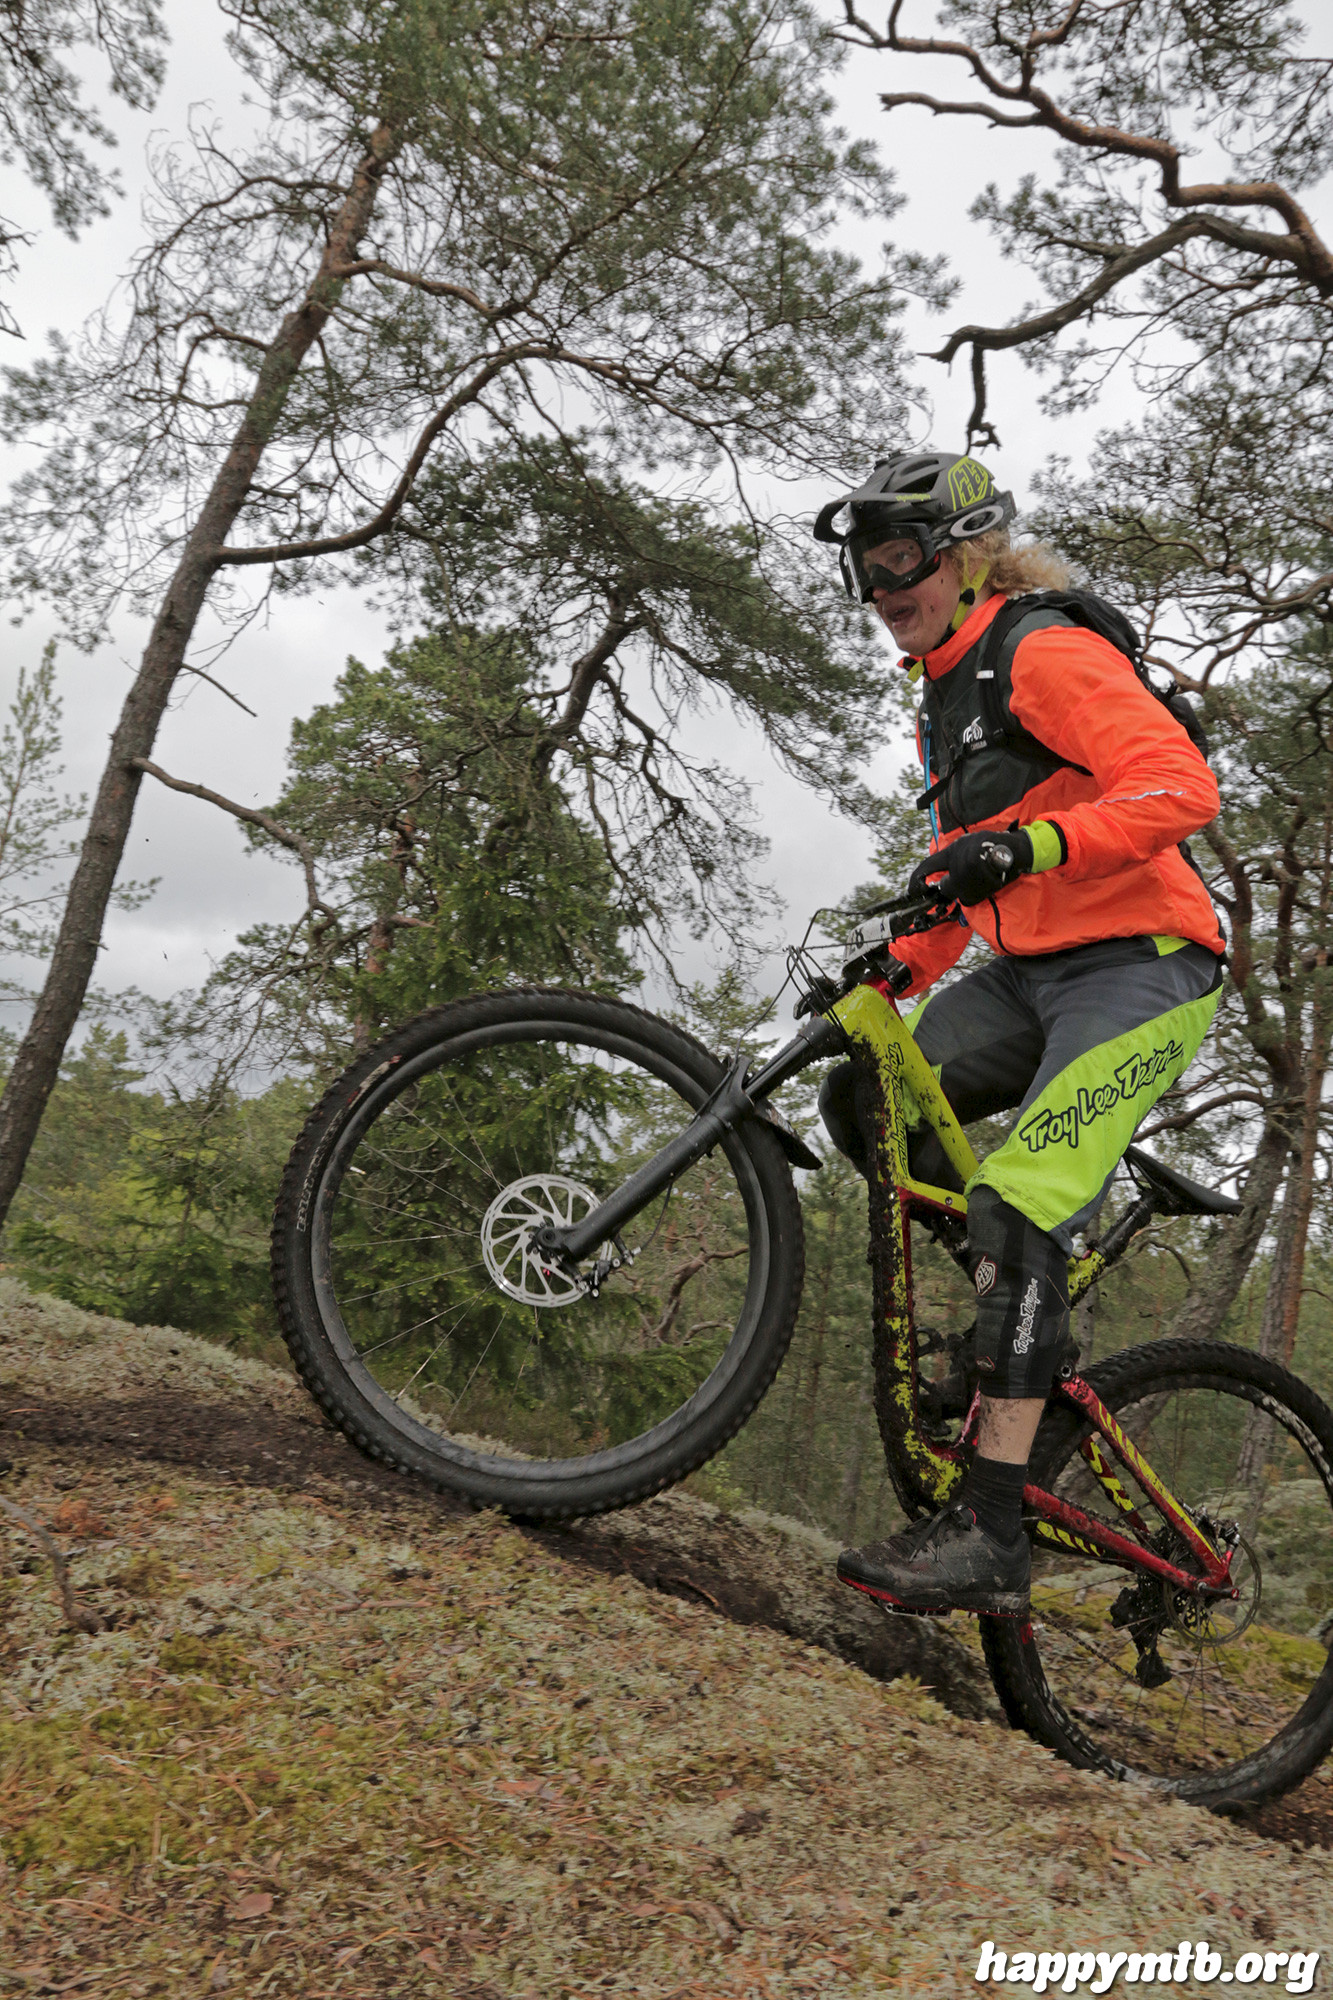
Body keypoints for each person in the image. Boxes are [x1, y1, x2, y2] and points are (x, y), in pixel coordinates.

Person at [811, 450, 1224, 1617]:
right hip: (1026, 971)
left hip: (1142, 964)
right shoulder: (943, 696)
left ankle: (990, 1531)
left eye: (901, 556)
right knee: (865, 1095)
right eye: (863, 566)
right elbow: (961, 876)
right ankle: (1020, 1312)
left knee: (1019, 1196)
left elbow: (1179, 786)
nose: (882, 585)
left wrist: (1029, 846)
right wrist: (890, 973)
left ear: (968, 551)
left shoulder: (1039, 647)